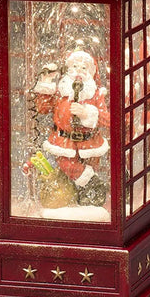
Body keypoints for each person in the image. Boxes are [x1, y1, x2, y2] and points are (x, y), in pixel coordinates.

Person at [32, 49, 110, 206]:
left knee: (89, 171)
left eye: (84, 67)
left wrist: (86, 113)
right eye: (75, 66)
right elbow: (42, 108)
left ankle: (86, 201)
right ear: (68, 69)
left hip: (90, 144)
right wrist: (46, 84)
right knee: (68, 167)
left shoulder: (95, 94)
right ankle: (95, 186)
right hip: (64, 142)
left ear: (91, 72)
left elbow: (107, 120)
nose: (79, 71)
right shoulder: (61, 92)